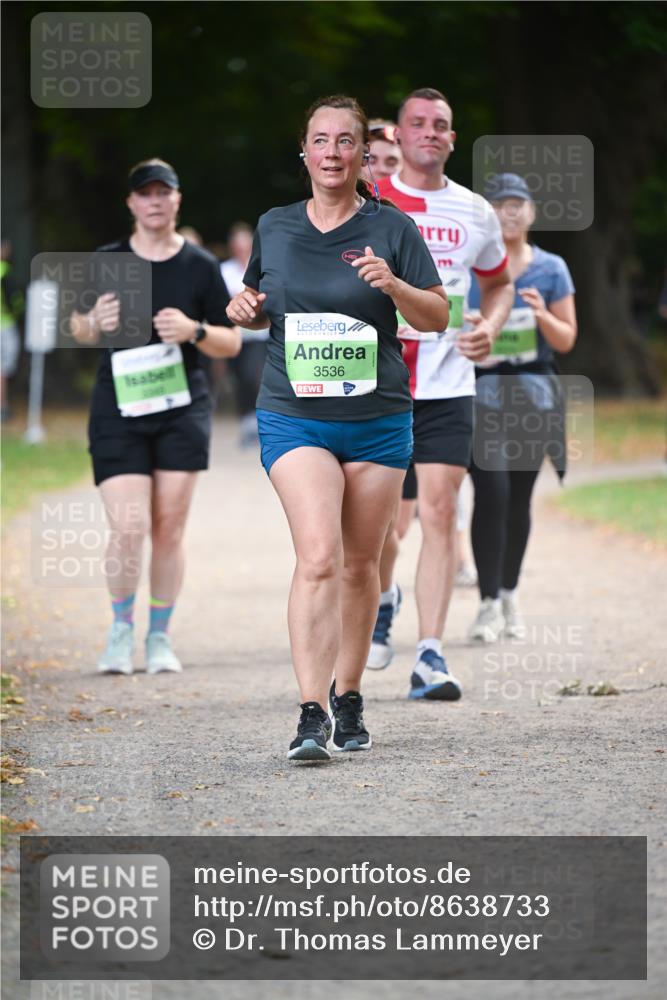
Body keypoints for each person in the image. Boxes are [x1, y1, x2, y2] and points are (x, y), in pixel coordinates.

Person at [226, 95, 448, 762]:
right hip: (294, 414)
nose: (331, 152)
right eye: (319, 140)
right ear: (305, 152)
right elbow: (261, 303)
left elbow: (437, 317)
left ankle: (348, 693)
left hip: (377, 418)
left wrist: (394, 287)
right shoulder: (275, 226)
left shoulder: (393, 229)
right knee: (318, 556)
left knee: (359, 565)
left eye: (344, 141)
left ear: (361, 154)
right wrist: (243, 308)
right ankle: (310, 712)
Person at [367, 87, 514, 697]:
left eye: (442, 125)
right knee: (378, 530)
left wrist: (489, 328)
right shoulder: (368, 204)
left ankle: (429, 655)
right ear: (397, 136)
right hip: (376, 384)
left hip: (449, 384)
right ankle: (385, 594)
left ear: (453, 139)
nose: (431, 131)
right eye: (418, 122)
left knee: (440, 512)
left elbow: (499, 284)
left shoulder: (476, 212)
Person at [71, 159, 241, 675]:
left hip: (181, 409)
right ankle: (121, 631)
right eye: (144, 194)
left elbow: (230, 340)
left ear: (176, 200)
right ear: (131, 203)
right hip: (118, 408)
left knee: (168, 527)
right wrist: (92, 323)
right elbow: (77, 328)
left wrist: (193, 330)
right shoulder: (106, 260)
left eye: (162, 193)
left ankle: (160, 637)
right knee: (128, 524)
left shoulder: (200, 266)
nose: (154, 202)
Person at [467, 172, 577, 641]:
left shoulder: (551, 268)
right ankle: (487, 602)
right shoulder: (471, 267)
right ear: (486, 214)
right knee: (490, 494)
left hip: (533, 395)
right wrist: (474, 326)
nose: (508, 212)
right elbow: (443, 324)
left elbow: (567, 339)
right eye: (498, 204)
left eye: (518, 204)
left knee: (518, 498)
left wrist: (540, 315)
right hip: (480, 392)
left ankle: (509, 594)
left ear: (531, 212)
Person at [221, 222, 268, 447]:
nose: (241, 249)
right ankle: (247, 421)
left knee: (256, 375)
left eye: (245, 244)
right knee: (242, 378)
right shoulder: (226, 270)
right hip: (238, 336)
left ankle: (260, 421)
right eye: (237, 245)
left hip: (262, 335)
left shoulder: (262, 265)